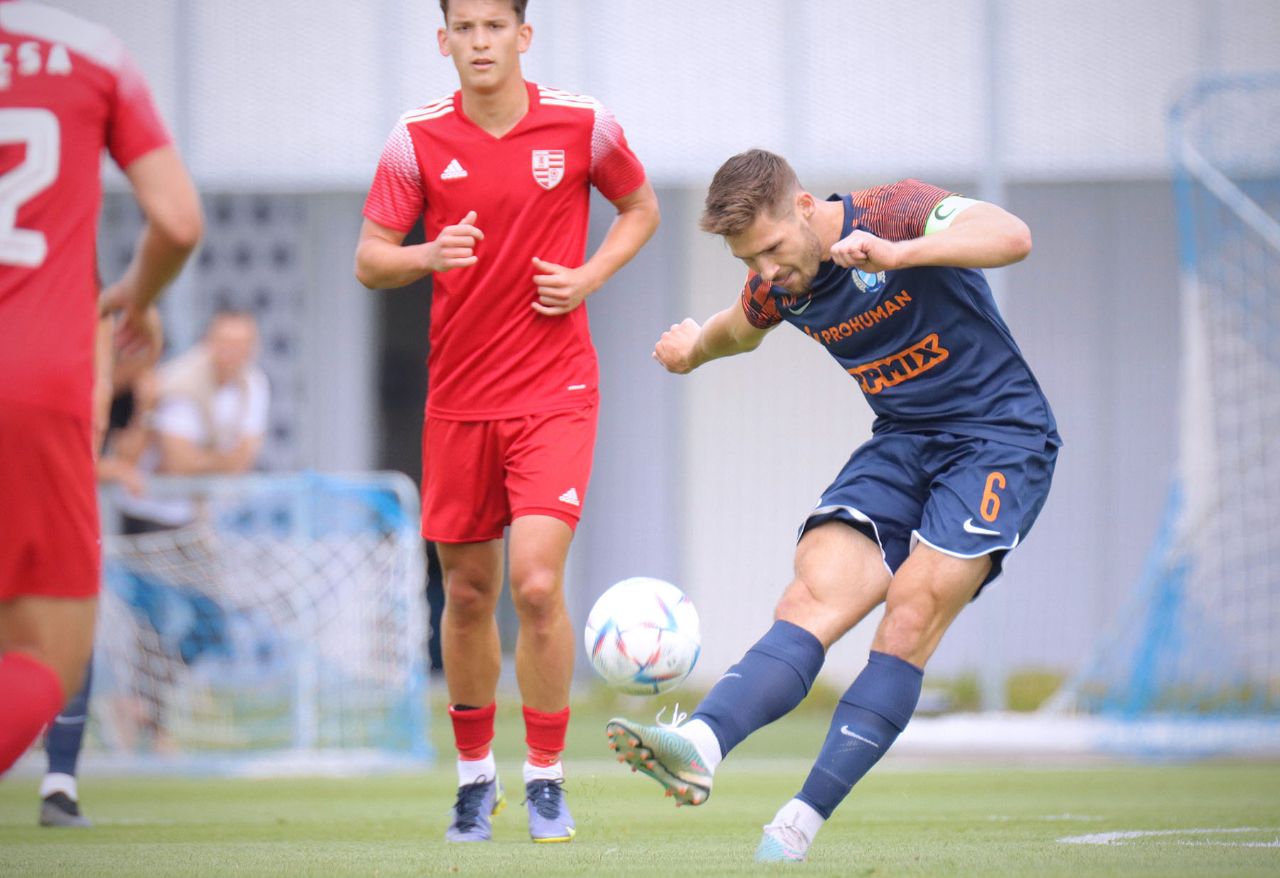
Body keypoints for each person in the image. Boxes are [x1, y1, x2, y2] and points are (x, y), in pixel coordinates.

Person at [606, 149, 1059, 863]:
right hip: (904, 441)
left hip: (998, 438)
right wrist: (693, 349)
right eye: (748, 260)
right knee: (810, 596)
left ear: (804, 206)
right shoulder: (777, 285)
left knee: (909, 613)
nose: (766, 271)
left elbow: (1013, 236)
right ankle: (698, 745)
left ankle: (799, 821)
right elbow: (738, 330)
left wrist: (901, 254)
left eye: (772, 249)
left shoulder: (896, 211)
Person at [354, 0, 659, 844]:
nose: (480, 41)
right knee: (466, 592)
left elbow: (641, 209)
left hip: (555, 392)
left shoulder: (584, 125)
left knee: (534, 583)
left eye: (495, 26)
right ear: (443, 39)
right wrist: (427, 254)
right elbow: (369, 258)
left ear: (523, 36)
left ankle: (548, 780)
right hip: (458, 401)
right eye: (465, 27)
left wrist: (589, 275)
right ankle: (474, 781)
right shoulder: (415, 139)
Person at [0, 0, 202, 783]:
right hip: (29, 383)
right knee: (49, 650)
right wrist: (135, 297)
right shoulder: (90, 55)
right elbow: (177, 222)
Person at [113, 310, 270, 535]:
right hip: (151, 511)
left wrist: (204, 462)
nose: (232, 351)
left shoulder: (253, 383)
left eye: (241, 344)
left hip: (204, 514)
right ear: (207, 342)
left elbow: (244, 459)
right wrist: (226, 460)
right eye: (225, 342)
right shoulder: (179, 380)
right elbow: (179, 464)